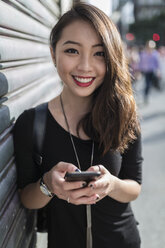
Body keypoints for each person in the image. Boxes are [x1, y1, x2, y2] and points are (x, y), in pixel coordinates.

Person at [13, 3, 143, 248]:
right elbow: (26, 199)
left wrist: (111, 184)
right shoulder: (32, 123)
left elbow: (134, 187)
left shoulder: (125, 114)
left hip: (122, 241)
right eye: (72, 50)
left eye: (99, 53)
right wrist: (48, 185)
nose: (85, 66)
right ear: (53, 53)